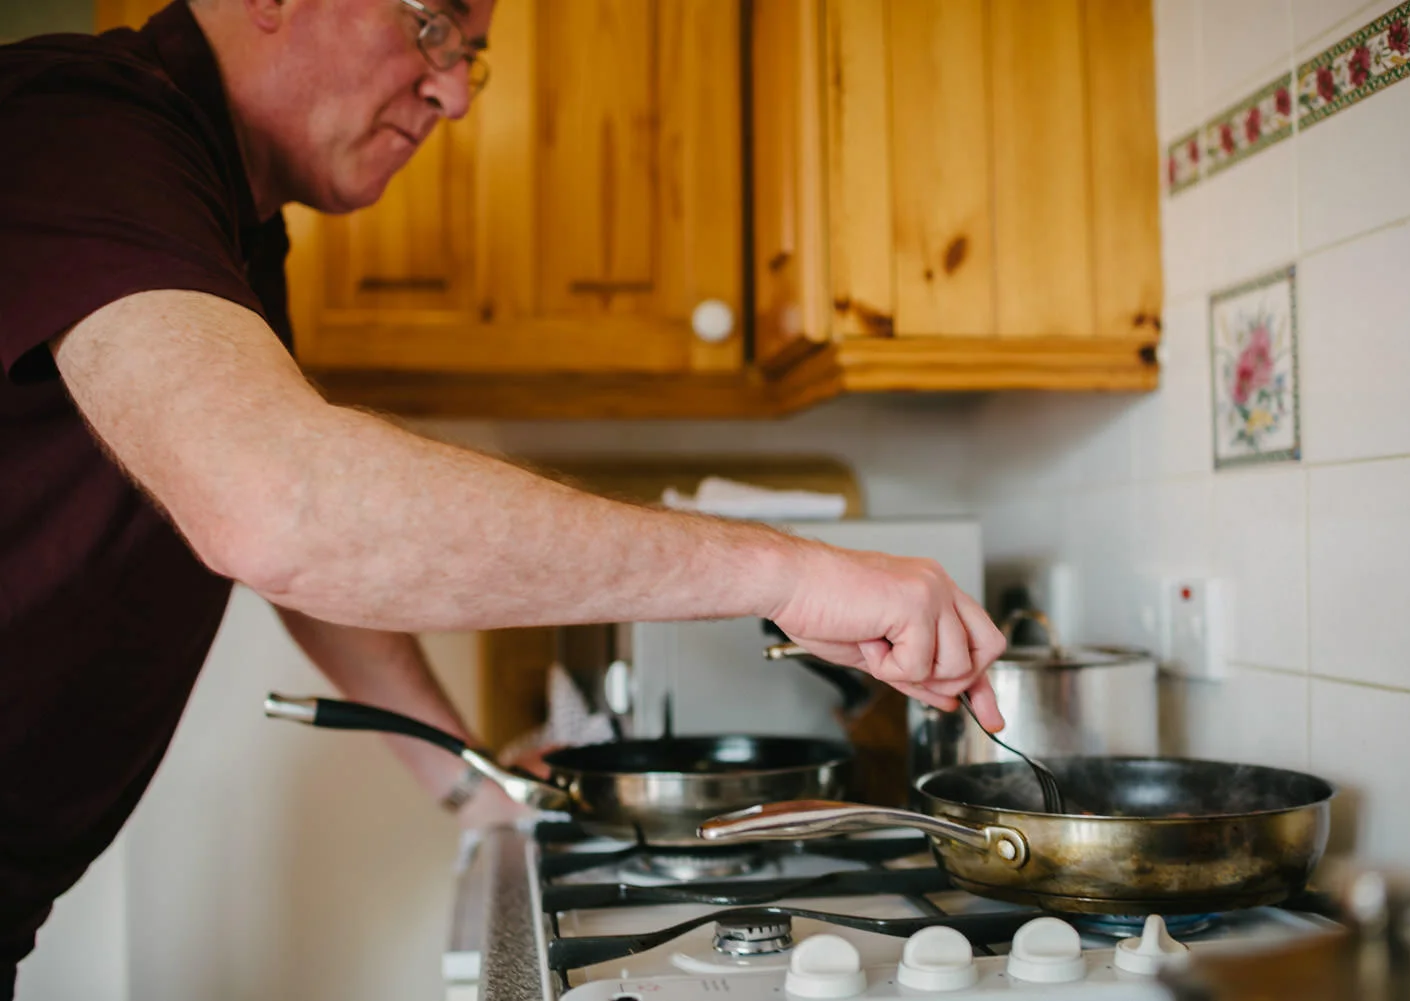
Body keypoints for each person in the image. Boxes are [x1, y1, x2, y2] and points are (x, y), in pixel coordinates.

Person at [0, 0, 1006, 993]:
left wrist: (469, 780)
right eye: (433, 24)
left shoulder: (232, 225)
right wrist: (786, 573)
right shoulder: (88, 121)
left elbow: (314, 562)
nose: (454, 94)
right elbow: (286, 510)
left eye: (468, 56)